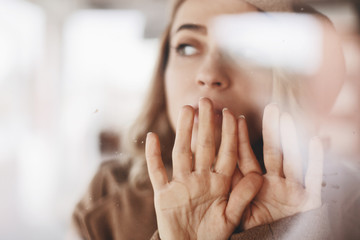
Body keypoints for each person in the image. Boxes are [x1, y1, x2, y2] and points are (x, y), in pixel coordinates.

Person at [72, 0, 347, 239]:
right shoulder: (108, 195)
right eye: (187, 48)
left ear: (280, 79)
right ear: (162, 73)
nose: (209, 72)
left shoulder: (341, 203)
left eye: (244, 51)